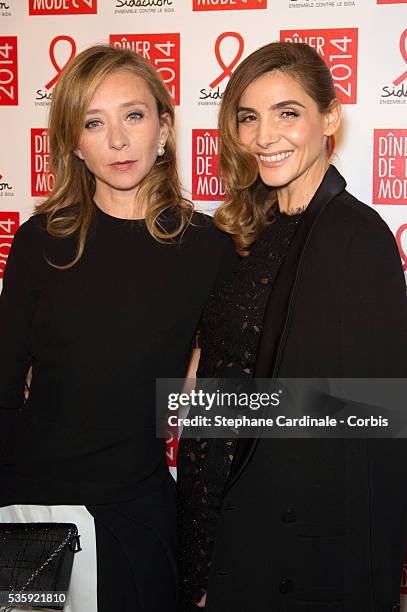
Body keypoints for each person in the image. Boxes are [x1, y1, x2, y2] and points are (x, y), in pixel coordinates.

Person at [0, 44, 237, 612]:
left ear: (164, 126)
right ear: (74, 145)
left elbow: (229, 389)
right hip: (32, 504)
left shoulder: (209, 249)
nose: (117, 140)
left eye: (133, 115)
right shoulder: (40, 242)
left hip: (138, 507)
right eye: (93, 122)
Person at [177, 41, 407, 612]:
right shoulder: (250, 231)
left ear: (329, 117)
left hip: (288, 544)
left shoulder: (356, 238)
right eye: (249, 117)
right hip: (212, 512)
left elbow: (376, 424)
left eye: (288, 112)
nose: (264, 136)